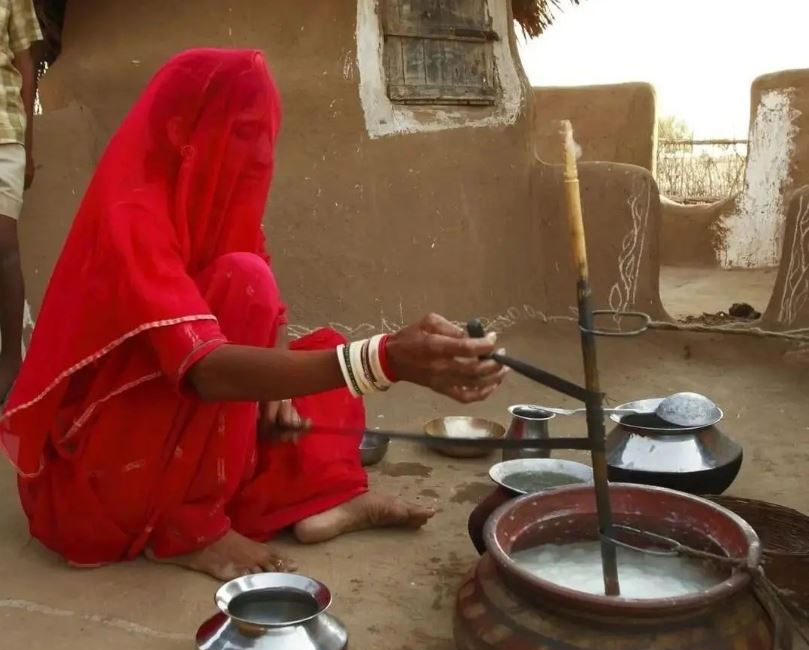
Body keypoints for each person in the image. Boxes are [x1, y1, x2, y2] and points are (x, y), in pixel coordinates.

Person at [0, 49, 507, 581]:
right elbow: (207, 369)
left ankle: (322, 501)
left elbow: (274, 320)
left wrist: (280, 391)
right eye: (242, 131)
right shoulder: (131, 214)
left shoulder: (215, 204)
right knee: (250, 289)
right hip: (98, 478)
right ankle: (187, 528)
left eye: (265, 132)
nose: (261, 150)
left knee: (309, 355)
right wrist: (382, 359)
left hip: (177, 423)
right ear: (180, 129)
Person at [0, 1, 41, 404]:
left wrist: (28, 147)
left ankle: (10, 360)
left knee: (3, 247)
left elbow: (26, 63)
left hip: (4, 129)